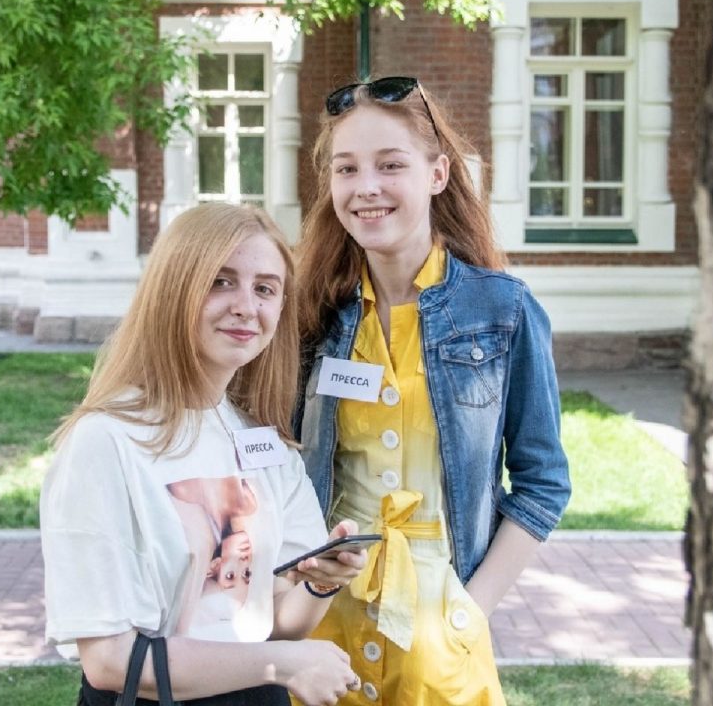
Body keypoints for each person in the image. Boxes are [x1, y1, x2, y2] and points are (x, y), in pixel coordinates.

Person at [293, 77, 572, 704]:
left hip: (440, 637)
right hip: (323, 630)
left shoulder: (503, 311)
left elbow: (544, 481)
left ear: (438, 174)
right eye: (347, 168)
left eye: (390, 165)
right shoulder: (312, 315)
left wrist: (471, 611)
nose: (366, 187)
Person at [41, 203, 369, 706]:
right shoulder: (105, 441)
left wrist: (321, 583)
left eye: (265, 288)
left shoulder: (264, 443)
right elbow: (109, 661)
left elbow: (274, 622)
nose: (246, 306)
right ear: (174, 290)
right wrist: (279, 664)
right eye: (221, 281)